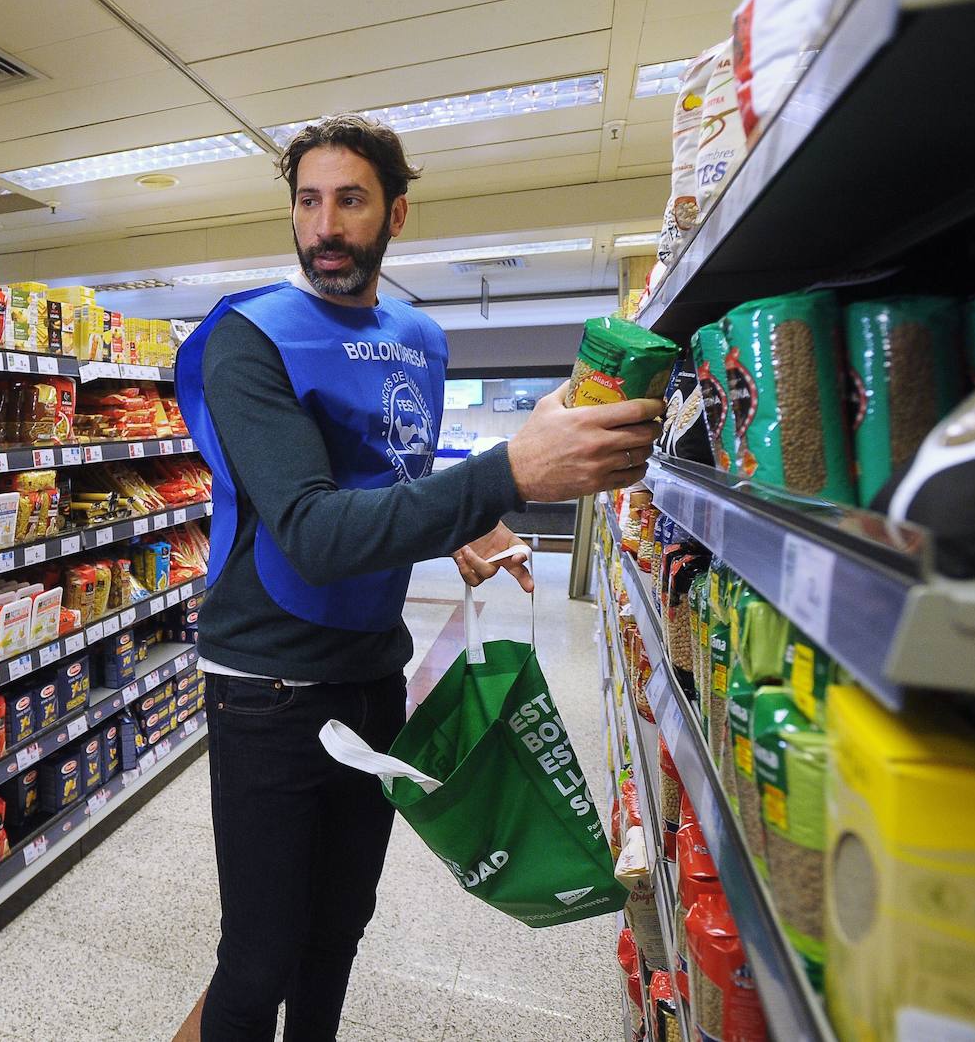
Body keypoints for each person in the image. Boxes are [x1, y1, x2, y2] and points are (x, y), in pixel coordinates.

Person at [175, 113, 662, 1042]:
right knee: (261, 954)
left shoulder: (418, 339)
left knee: (339, 930)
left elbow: (386, 473)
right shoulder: (249, 339)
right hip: (266, 686)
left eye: (349, 200)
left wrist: (465, 524)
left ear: (395, 215)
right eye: (308, 202)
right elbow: (314, 530)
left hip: (372, 675)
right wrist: (511, 474)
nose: (324, 225)